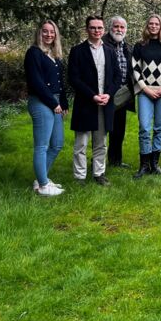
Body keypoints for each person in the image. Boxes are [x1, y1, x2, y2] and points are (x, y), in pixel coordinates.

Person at [68, 16, 121, 186]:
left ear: (104, 30)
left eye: (99, 28)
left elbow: (117, 77)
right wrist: (92, 95)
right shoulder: (77, 51)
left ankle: (99, 173)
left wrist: (109, 94)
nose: (96, 31)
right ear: (87, 29)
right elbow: (74, 78)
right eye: (93, 28)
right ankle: (80, 177)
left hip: (105, 104)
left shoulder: (110, 51)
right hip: (85, 103)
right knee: (81, 143)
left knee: (101, 142)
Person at [25, 20, 69, 196]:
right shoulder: (33, 53)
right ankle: (43, 186)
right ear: (39, 33)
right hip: (41, 102)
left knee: (57, 144)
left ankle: (40, 178)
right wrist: (54, 103)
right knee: (41, 146)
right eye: (45, 31)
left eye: (52, 32)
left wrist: (63, 102)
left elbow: (60, 81)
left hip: (55, 102)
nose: (49, 35)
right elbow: (36, 82)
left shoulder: (53, 54)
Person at [132, 14, 161, 179]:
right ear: (147, 26)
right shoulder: (140, 46)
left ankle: (155, 163)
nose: (154, 26)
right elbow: (135, 68)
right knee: (145, 128)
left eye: (157, 24)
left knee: (159, 127)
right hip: (145, 91)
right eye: (151, 24)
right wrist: (144, 88)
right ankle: (144, 164)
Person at [104, 16, 135, 169]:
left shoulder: (128, 47)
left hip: (123, 94)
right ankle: (99, 162)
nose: (119, 30)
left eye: (122, 27)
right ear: (110, 27)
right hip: (106, 93)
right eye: (116, 26)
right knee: (102, 130)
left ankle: (116, 160)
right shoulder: (103, 44)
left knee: (119, 129)